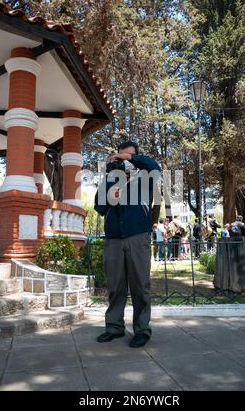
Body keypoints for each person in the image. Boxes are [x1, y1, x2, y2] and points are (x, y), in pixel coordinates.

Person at [95, 140, 161, 348]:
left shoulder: (145, 177)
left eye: (129, 156)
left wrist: (131, 158)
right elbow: (99, 206)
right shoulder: (111, 178)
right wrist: (110, 192)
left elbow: (155, 167)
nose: (124, 159)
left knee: (140, 285)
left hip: (138, 237)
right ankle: (114, 327)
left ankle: (142, 330)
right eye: (120, 155)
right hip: (113, 238)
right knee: (115, 286)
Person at [214, 215, 245, 294]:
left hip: (232, 240)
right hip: (240, 242)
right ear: (241, 219)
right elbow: (244, 233)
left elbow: (230, 232)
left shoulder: (232, 224)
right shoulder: (242, 224)